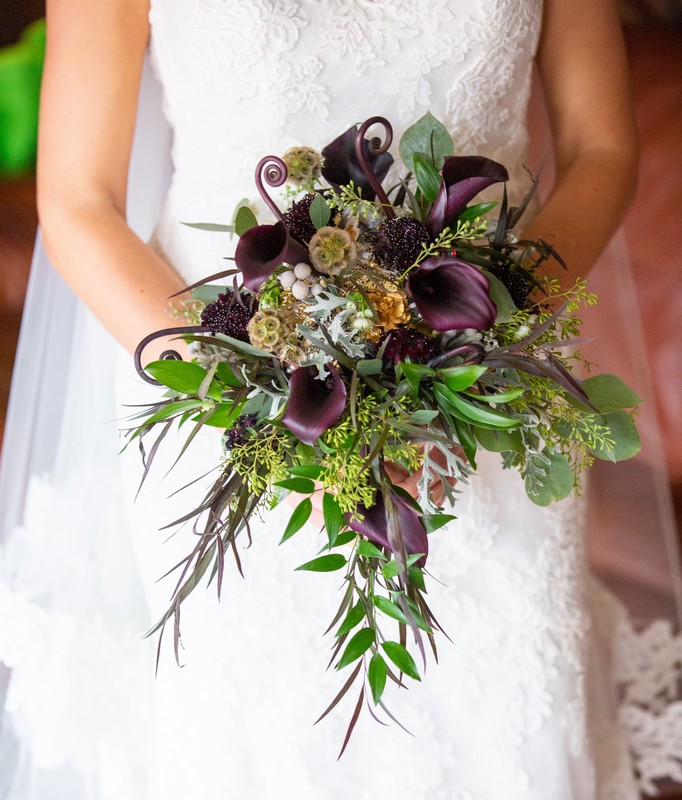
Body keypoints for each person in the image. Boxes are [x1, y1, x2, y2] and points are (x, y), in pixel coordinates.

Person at [1, 0, 681, 798]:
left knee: (499, 723)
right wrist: (267, 398)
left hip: (486, 392)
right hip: (227, 403)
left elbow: (601, 147)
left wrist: (481, 338)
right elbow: (79, 201)